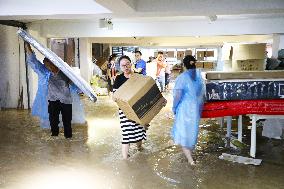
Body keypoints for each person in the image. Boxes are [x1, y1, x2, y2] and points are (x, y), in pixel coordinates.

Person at [25, 42, 82, 138]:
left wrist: (82, 91)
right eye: (46, 65)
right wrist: (28, 46)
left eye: (49, 65)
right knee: (53, 120)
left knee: (67, 121)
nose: (48, 67)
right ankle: (54, 137)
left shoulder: (65, 72)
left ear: (54, 63)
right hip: (53, 100)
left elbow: (76, 85)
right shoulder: (46, 73)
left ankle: (68, 139)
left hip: (66, 100)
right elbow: (34, 62)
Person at [171, 55, 205, 165]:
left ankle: (191, 160)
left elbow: (177, 95)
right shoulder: (199, 77)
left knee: (183, 132)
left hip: (185, 108)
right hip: (195, 109)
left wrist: (174, 107)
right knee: (192, 131)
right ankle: (190, 155)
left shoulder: (182, 77)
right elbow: (201, 94)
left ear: (184, 65)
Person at [113, 55, 147, 159]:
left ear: (131, 64)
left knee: (140, 130)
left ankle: (139, 148)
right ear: (120, 67)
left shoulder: (138, 76)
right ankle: (125, 159)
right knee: (126, 133)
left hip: (138, 109)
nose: (126, 67)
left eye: (127, 64)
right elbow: (114, 97)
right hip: (125, 111)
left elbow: (146, 91)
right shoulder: (119, 79)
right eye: (123, 65)